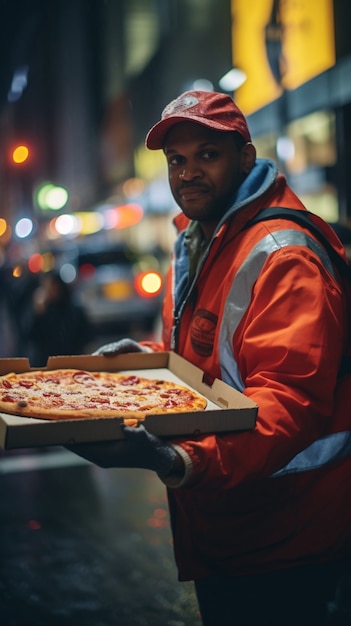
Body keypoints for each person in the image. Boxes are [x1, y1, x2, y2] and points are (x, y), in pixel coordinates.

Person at [69, 91, 351, 625]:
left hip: (285, 531)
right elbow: (207, 365)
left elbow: (288, 400)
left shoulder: (281, 255)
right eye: (177, 160)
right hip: (231, 522)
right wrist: (149, 358)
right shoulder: (202, 237)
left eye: (207, 155)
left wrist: (182, 460)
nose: (188, 173)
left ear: (245, 157)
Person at [26, 270, 92, 366]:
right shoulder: (43, 310)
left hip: (72, 362)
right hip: (46, 363)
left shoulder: (74, 310)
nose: (49, 290)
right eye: (46, 287)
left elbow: (85, 337)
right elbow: (32, 338)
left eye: (52, 285)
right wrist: (38, 313)